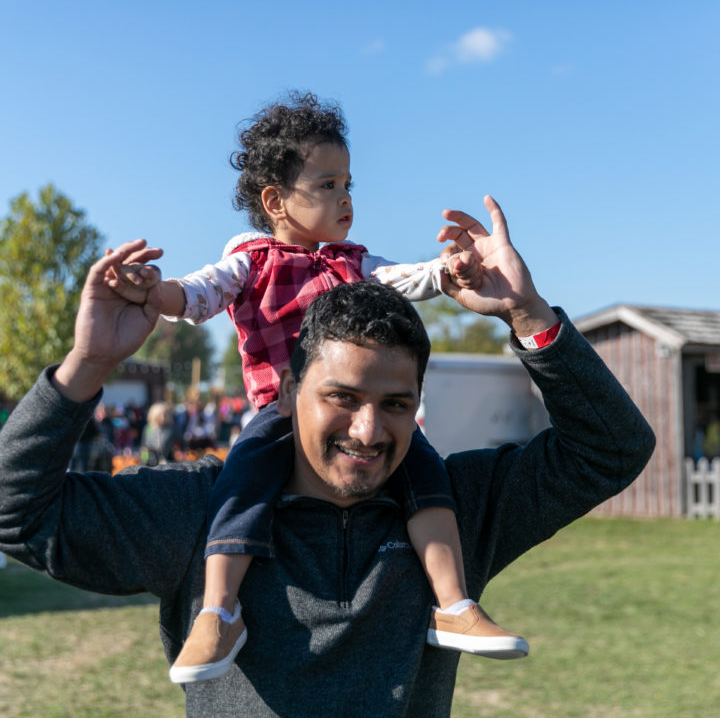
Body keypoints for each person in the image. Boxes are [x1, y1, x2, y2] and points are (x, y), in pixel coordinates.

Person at [0, 197, 655, 717]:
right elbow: (13, 512)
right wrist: (88, 366)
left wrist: (529, 314)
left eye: (397, 403)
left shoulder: (459, 511)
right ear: (286, 391)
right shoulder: (203, 509)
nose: (368, 431)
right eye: (341, 397)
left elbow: (613, 449)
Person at [110, 92, 524, 684]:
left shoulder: (355, 263)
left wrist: (449, 271)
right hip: (279, 413)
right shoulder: (250, 259)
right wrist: (154, 291)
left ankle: (454, 603)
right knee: (241, 483)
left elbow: (407, 278)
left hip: (352, 412)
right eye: (328, 184)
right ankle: (218, 609)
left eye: (349, 182)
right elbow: (199, 293)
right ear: (276, 201)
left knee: (425, 471)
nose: (346, 197)